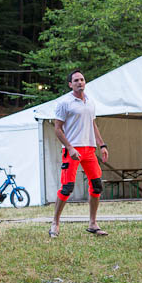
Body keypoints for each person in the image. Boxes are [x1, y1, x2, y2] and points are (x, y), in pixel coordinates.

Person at [49, 69, 109, 238]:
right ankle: (55, 223)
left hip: (89, 149)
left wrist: (102, 144)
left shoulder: (90, 102)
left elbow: (93, 124)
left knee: (97, 186)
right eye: (76, 80)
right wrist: (69, 147)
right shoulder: (64, 103)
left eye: (82, 79)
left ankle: (92, 223)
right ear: (70, 84)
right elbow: (58, 129)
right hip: (72, 150)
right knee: (67, 187)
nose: (80, 82)